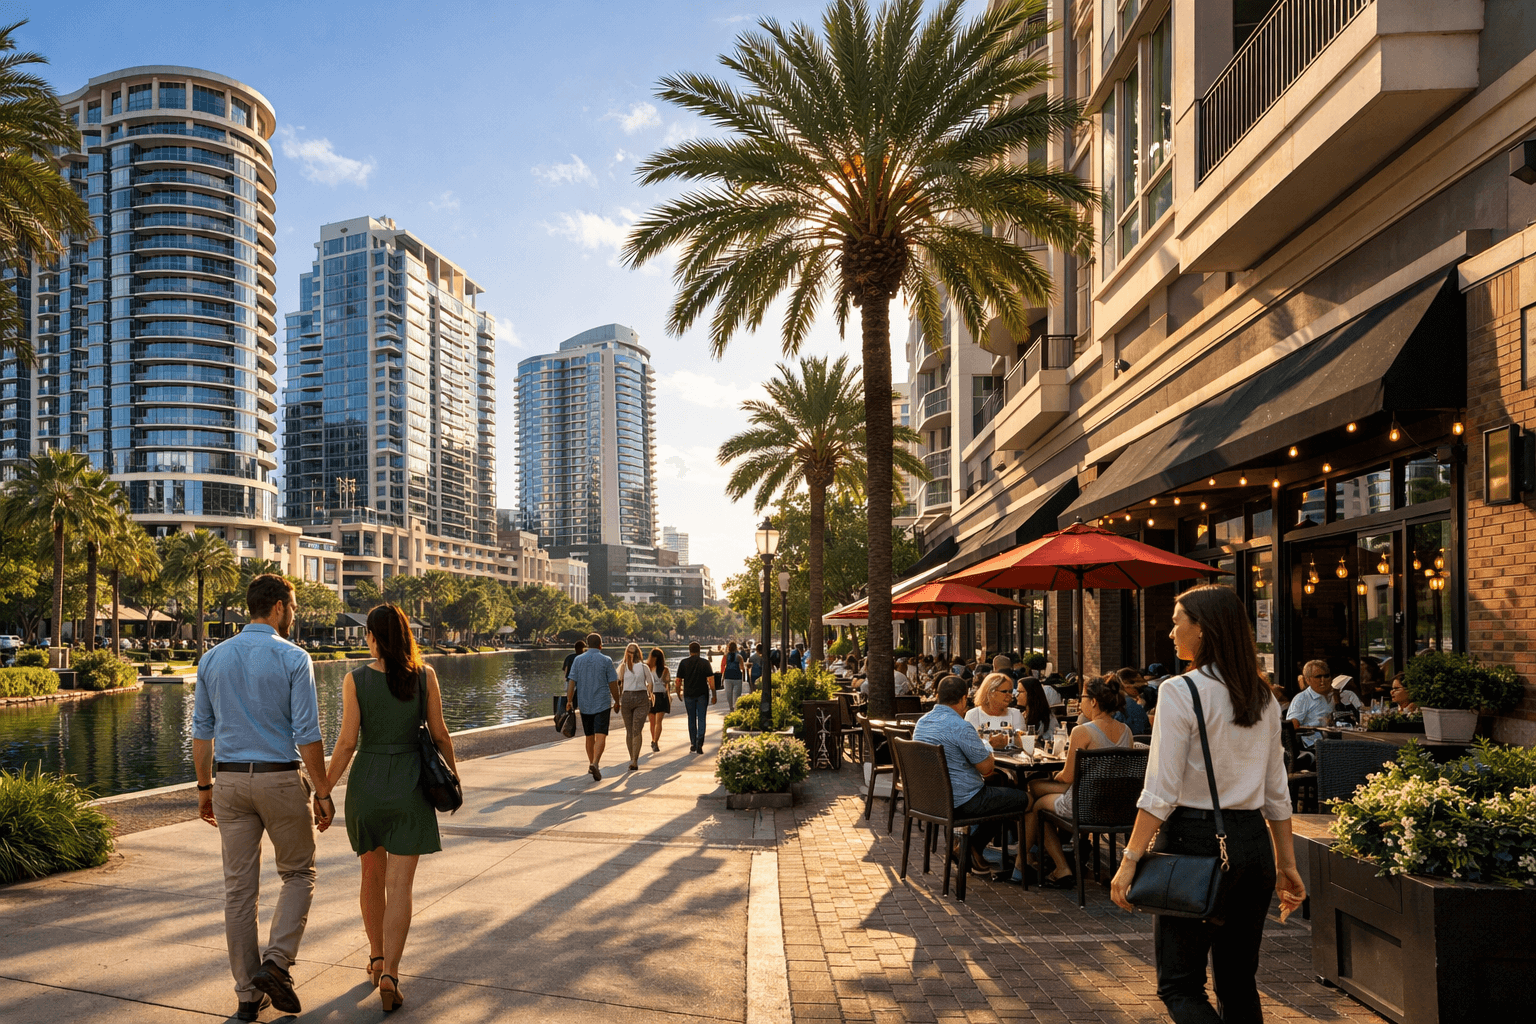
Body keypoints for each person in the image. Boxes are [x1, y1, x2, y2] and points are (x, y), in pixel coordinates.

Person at [1110, 584, 1305, 1024]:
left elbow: (1160, 790)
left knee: (1179, 985)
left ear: (1203, 628)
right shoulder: (1262, 695)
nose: (1171, 633)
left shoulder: (1181, 691)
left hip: (1195, 841)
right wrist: (1286, 863)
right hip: (1253, 845)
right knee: (1238, 982)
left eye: (1177, 622)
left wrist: (1130, 858)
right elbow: (1277, 793)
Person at [192, 574, 332, 1021]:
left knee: (238, 891)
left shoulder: (212, 658)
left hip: (230, 783)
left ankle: (248, 996)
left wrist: (204, 788)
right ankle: (276, 964)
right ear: (277, 607)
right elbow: (307, 732)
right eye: (293, 606)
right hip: (279, 779)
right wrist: (323, 792)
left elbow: (202, 732)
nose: (295, 614)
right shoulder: (293, 657)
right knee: (299, 873)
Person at [323, 604, 455, 1013]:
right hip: (410, 786)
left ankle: (376, 957)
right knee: (400, 886)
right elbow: (440, 734)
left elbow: (347, 742)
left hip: (366, 785)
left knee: (370, 875)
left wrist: (323, 789)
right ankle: (391, 975)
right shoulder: (425, 676)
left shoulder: (355, 679)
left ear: (373, 637)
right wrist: (453, 780)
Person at [912, 675, 1031, 875]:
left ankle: (968, 848)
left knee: (1000, 792)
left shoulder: (922, 723)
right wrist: (987, 746)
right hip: (961, 801)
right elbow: (986, 769)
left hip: (930, 799)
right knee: (1026, 800)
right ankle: (1014, 862)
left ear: (938, 696)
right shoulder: (960, 726)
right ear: (962, 699)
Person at [1023, 675, 1134, 888]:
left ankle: (1058, 866)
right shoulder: (1126, 731)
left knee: (1037, 805)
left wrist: (1055, 776)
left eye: (1081, 697)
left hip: (1086, 806)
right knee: (1036, 788)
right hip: (1116, 807)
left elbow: (1068, 777)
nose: (1079, 701)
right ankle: (1045, 854)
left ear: (1093, 701)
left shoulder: (1082, 731)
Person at [566, 632, 620, 781]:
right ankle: (595, 763)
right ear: (601, 645)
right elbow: (613, 683)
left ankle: (592, 763)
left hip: (584, 703)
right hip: (602, 703)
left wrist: (569, 701)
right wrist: (617, 700)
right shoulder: (606, 660)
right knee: (601, 734)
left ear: (587, 645)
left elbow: (572, 682)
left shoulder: (578, 660)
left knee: (589, 736)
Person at [1286, 659, 1335, 769]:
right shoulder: (1302, 699)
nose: (1323, 680)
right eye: (1318, 677)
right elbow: (1291, 725)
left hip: (1335, 741)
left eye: (1326, 676)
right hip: (1313, 745)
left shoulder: (1335, 696)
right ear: (1308, 680)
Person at [618, 642, 656, 772]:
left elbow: (650, 682)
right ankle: (632, 758)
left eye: (632, 652)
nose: (630, 654)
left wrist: (650, 695)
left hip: (636, 698)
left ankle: (634, 760)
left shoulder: (640, 667)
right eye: (630, 651)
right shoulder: (624, 667)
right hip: (633, 698)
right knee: (631, 730)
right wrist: (618, 700)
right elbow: (619, 683)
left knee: (634, 730)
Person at [676, 642, 718, 754]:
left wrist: (678, 692)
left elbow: (678, 680)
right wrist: (714, 694)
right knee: (702, 718)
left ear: (689, 650)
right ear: (699, 650)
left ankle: (693, 743)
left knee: (691, 718)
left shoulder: (683, 663)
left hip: (688, 694)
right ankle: (700, 742)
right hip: (702, 694)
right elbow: (711, 680)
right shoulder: (705, 663)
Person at [964, 673, 1024, 740]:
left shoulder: (1016, 714)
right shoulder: (972, 715)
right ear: (990, 692)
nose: (1009, 695)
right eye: (1004, 691)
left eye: (1010, 691)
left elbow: (1022, 742)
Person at [646, 647, 671, 752]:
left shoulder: (647, 668)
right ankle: (655, 741)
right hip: (661, 696)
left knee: (652, 722)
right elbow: (667, 685)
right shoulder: (665, 669)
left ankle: (653, 740)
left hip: (650, 696)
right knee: (658, 722)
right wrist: (669, 698)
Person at [1114, 668, 1152, 736]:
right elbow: (1140, 731)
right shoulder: (1131, 705)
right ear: (1126, 685)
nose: (1141, 689)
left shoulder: (1115, 701)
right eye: (1139, 686)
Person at [720, 641, 745, 710]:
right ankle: (736, 707)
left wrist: (722, 676)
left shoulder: (725, 656)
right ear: (736, 648)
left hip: (728, 676)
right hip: (737, 677)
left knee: (729, 693)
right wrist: (744, 678)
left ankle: (731, 707)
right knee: (737, 694)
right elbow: (742, 668)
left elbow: (722, 666)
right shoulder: (739, 656)